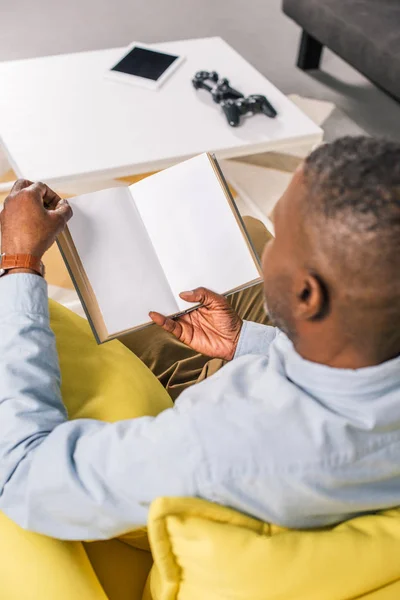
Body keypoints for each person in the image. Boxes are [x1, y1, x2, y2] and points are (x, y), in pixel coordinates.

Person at [1, 135, 400, 541]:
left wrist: (19, 263)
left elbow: (24, 476)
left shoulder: (222, 444)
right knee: (249, 230)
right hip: (272, 368)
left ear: (307, 295)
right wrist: (247, 340)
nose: (271, 252)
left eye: (283, 239)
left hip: (193, 459)